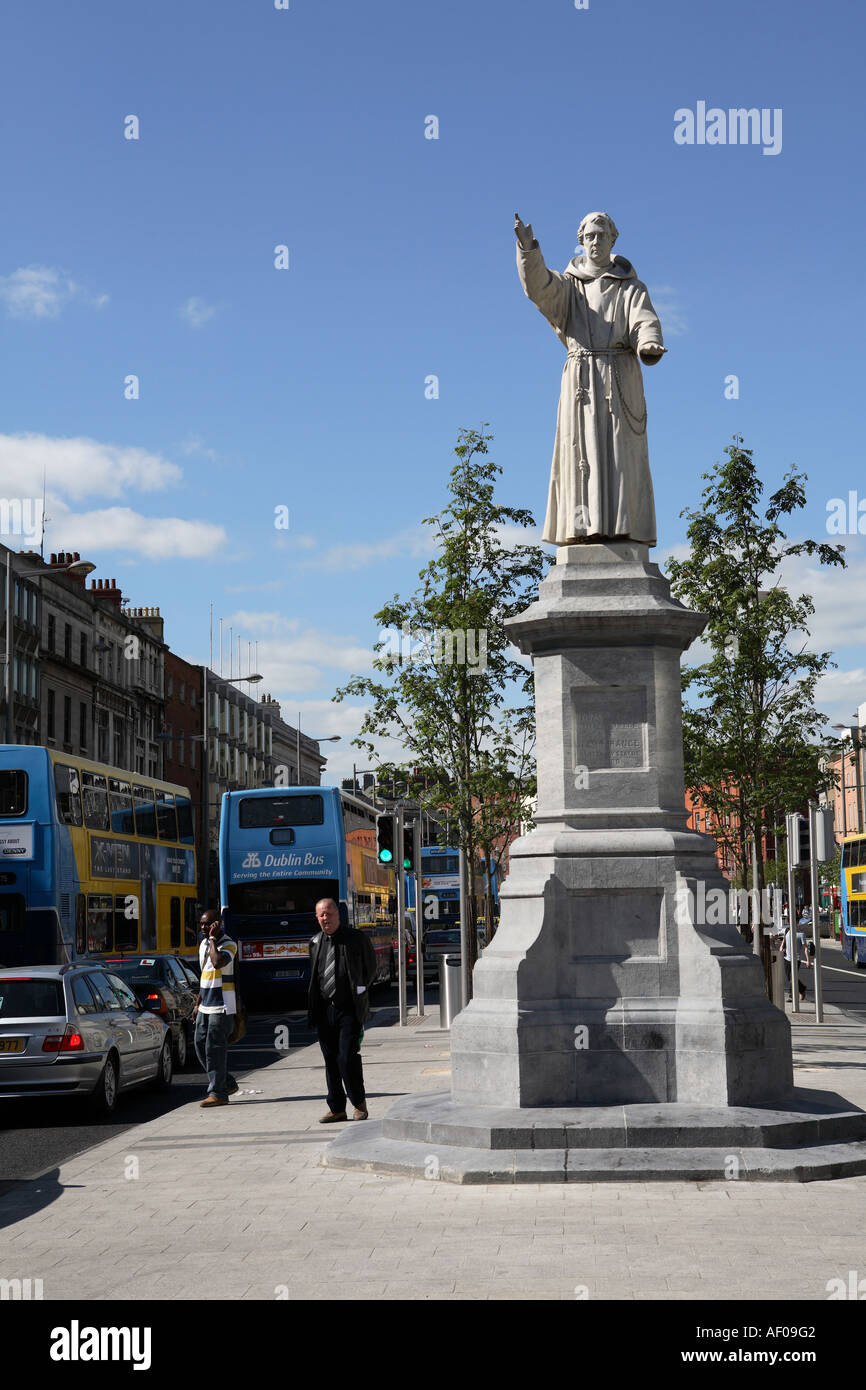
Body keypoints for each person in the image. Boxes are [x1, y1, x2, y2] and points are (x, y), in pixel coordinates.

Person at [515, 209, 666, 548]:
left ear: (613, 239)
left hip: (619, 378)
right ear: (581, 241)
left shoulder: (631, 287)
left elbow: (644, 320)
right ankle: (584, 530)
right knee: (581, 454)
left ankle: (623, 529)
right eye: (590, 236)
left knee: (620, 455)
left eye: (602, 235)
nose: (596, 241)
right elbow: (539, 287)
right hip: (581, 379)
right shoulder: (569, 287)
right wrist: (528, 249)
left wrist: (648, 342)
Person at [307, 897, 377, 1123]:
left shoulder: (356, 939)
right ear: (317, 918)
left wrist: (359, 990)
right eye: (321, 915)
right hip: (324, 1010)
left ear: (338, 914)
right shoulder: (315, 942)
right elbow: (317, 976)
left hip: (349, 1009)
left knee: (347, 1058)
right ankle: (337, 1108)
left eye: (328, 913)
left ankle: (359, 1104)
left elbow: (370, 968)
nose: (325, 918)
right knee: (330, 1060)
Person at [193, 908, 239, 1108]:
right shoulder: (203, 944)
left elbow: (217, 962)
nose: (203, 927)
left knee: (215, 1048)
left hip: (222, 1004)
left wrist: (213, 940)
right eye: (201, 924)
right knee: (199, 1045)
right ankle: (226, 1082)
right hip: (205, 1004)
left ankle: (218, 1093)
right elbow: (205, 972)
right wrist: (197, 1003)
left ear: (217, 924)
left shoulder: (229, 944)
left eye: (207, 924)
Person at [783, 922, 809, 1003]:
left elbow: (805, 948)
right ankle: (802, 989)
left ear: (797, 924)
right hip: (787, 958)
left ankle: (791, 996)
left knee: (792, 977)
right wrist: (781, 947)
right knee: (789, 977)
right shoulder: (787, 931)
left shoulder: (801, 934)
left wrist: (808, 960)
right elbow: (784, 940)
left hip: (796, 959)